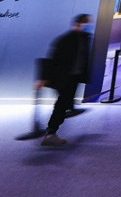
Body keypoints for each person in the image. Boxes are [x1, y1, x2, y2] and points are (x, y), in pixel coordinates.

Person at [35, 14, 92, 146]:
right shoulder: (66, 39)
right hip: (64, 77)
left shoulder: (84, 38)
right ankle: (50, 133)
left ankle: (53, 129)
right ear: (78, 24)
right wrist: (43, 78)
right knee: (61, 104)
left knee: (64, 102)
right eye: (86, 23)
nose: (89, 26)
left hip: (74, 77)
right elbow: (53, 58)